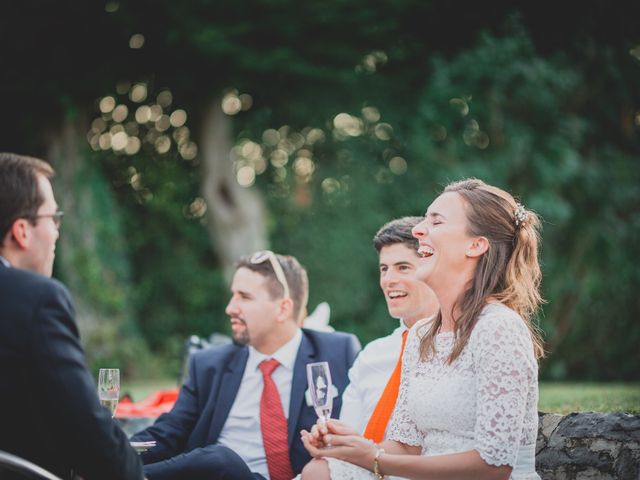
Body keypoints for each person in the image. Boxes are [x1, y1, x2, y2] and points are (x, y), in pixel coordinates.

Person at [301, 178, 544, 480]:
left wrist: (374, 458)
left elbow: (493, 466)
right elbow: (405, 446)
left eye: (436, 222)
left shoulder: (499, 328)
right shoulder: (421, 335)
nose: (418, 231)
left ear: (476, 245)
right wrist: (350, 447)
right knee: (317, 472)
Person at [131, 251, 361, 480]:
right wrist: (113, 451)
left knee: (219, 460)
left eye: (245, 297)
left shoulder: (336, 353)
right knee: (217, 461)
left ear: (282, 308)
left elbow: (365, 430)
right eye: (233, 295)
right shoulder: (209, 365)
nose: (230, 308)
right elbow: (166, 434)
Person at [0, 152, 143, 480]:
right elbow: (91, 435)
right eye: (54, 218)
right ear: (22, 231)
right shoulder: (36, 299)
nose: (57, 232)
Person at [339, 217, 438, 438]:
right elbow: (349, 434)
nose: (388, 280)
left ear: (432, 269)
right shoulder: (371, 355)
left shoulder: (459, 346)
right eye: (384, 269)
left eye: (403, 267)